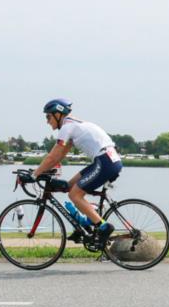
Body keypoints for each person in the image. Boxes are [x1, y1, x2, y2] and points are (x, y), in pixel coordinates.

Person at [30, 98, 122, 249]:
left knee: (74, 195)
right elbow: (59, 155)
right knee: (68, 186)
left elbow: (53, 157)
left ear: (58, 114)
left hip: (104, 161)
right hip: (107, 160)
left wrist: (34, 175)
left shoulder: (67, 127)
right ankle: (85, 224)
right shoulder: (74, 125)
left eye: (48, 116)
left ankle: (104, 227)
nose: (47, 121)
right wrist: (42, 171)